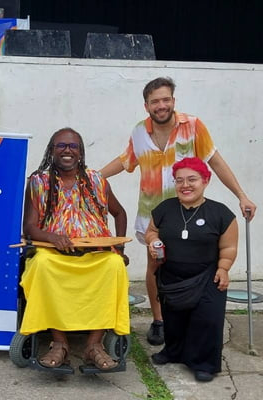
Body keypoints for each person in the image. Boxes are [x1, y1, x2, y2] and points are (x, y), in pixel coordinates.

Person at [100, 76, 256, 346]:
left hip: (189, 214)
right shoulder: (139, 131)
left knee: (193, 264)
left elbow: (216, 162)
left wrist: (241, 195)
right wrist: (93, 176)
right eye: (155, 101)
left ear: (173, 101)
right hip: (154, 216)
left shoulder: (193, 126)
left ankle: (192, 319)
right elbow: (125, 161)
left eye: (165, 99)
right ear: (146, 106)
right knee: (155, 266)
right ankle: (159, 321)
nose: (161, 105)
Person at [21, 127, 130, 371]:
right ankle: (59, 343)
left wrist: (119, 248)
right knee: (41, 265)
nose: (67, 150)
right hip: (54, 253)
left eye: (73, 146)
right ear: (52, 151)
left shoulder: (97, 180)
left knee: (114, 265)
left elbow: (119, 213)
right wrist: (52, 237)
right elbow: (29, 227)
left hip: (94, 254)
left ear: (81, 152)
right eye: (61, 145)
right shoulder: (38, 182)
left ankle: (94, 345)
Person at [145, 157, 238, 382]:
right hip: (171, 276)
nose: (185, 185)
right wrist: (153, 241)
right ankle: (173, 352)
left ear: (205, 180)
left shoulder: (221, 213)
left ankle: (204, 363)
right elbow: (151, 231)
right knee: (173, 320)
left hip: (207, 277)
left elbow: (228, 247)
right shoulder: (165, 208)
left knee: (206, 320)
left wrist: (224, 268)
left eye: (192, 179)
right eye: (179, 180)